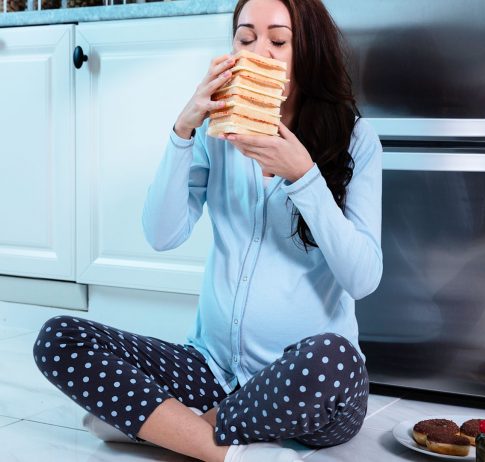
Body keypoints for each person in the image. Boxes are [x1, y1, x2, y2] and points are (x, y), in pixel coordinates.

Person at [32, 0, 383, 461]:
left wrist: (304, 178)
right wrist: (183, 129)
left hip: (308, 380)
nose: (259, 53)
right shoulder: (214, 136)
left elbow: (363, 279)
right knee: (59, 338)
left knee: (332, 361)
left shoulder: (356, 139)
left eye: (278, 40)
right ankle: (227, 450)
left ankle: (164, 426)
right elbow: (162, 234)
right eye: (245, 38)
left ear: (310, 51)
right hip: (214, 370)